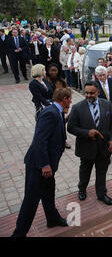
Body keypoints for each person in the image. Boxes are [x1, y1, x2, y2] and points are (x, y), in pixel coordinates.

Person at [11, 88, 72, 237]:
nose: (71, 101)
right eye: (70, 99)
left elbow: (56, 129)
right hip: (39, 165)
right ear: (64, 98)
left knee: (48, 193)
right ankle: (19, 233)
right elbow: (39, 140)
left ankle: (52, 218)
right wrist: (44, 164)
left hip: (48, 166)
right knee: (31, 201)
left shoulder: (57, 112)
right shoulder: (50, 113)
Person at [67, 81, 112, 206]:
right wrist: (86, 132)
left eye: (92, 93)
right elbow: (71, 127)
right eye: (86, 93)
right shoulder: (77, 107)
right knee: (85, 171)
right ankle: (82, 189)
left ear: (98, 92)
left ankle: (101, 194)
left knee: (101, 172)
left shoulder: (107, 104)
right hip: (86, 148)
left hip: (103, 148)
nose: (88, 95)